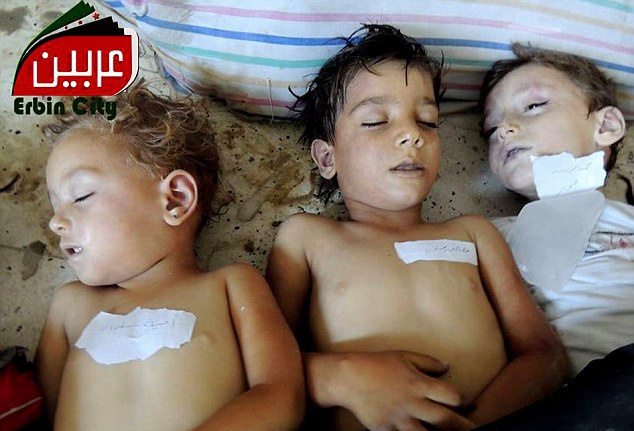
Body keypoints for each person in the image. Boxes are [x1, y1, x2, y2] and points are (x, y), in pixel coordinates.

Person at [266, 25, 568, 431]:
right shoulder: (307, 238)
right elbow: (263, 364)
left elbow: (545, 355)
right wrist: (342, 378)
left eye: (427, 121)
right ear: (326, 158)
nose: (412, 135)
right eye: (376, 121)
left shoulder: (475, 234)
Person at [36, 85, 304, 431]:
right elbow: (39, 416)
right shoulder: (69, 307)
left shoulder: (230, 287)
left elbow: (282, 396)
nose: (55, 222)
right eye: (54, 205)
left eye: (81, 196)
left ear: (175, 199)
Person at [477, 43, 634, 430]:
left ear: (606, 127)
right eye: (491, 129)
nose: (505, 129)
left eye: (533, 106)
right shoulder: (488, 237)